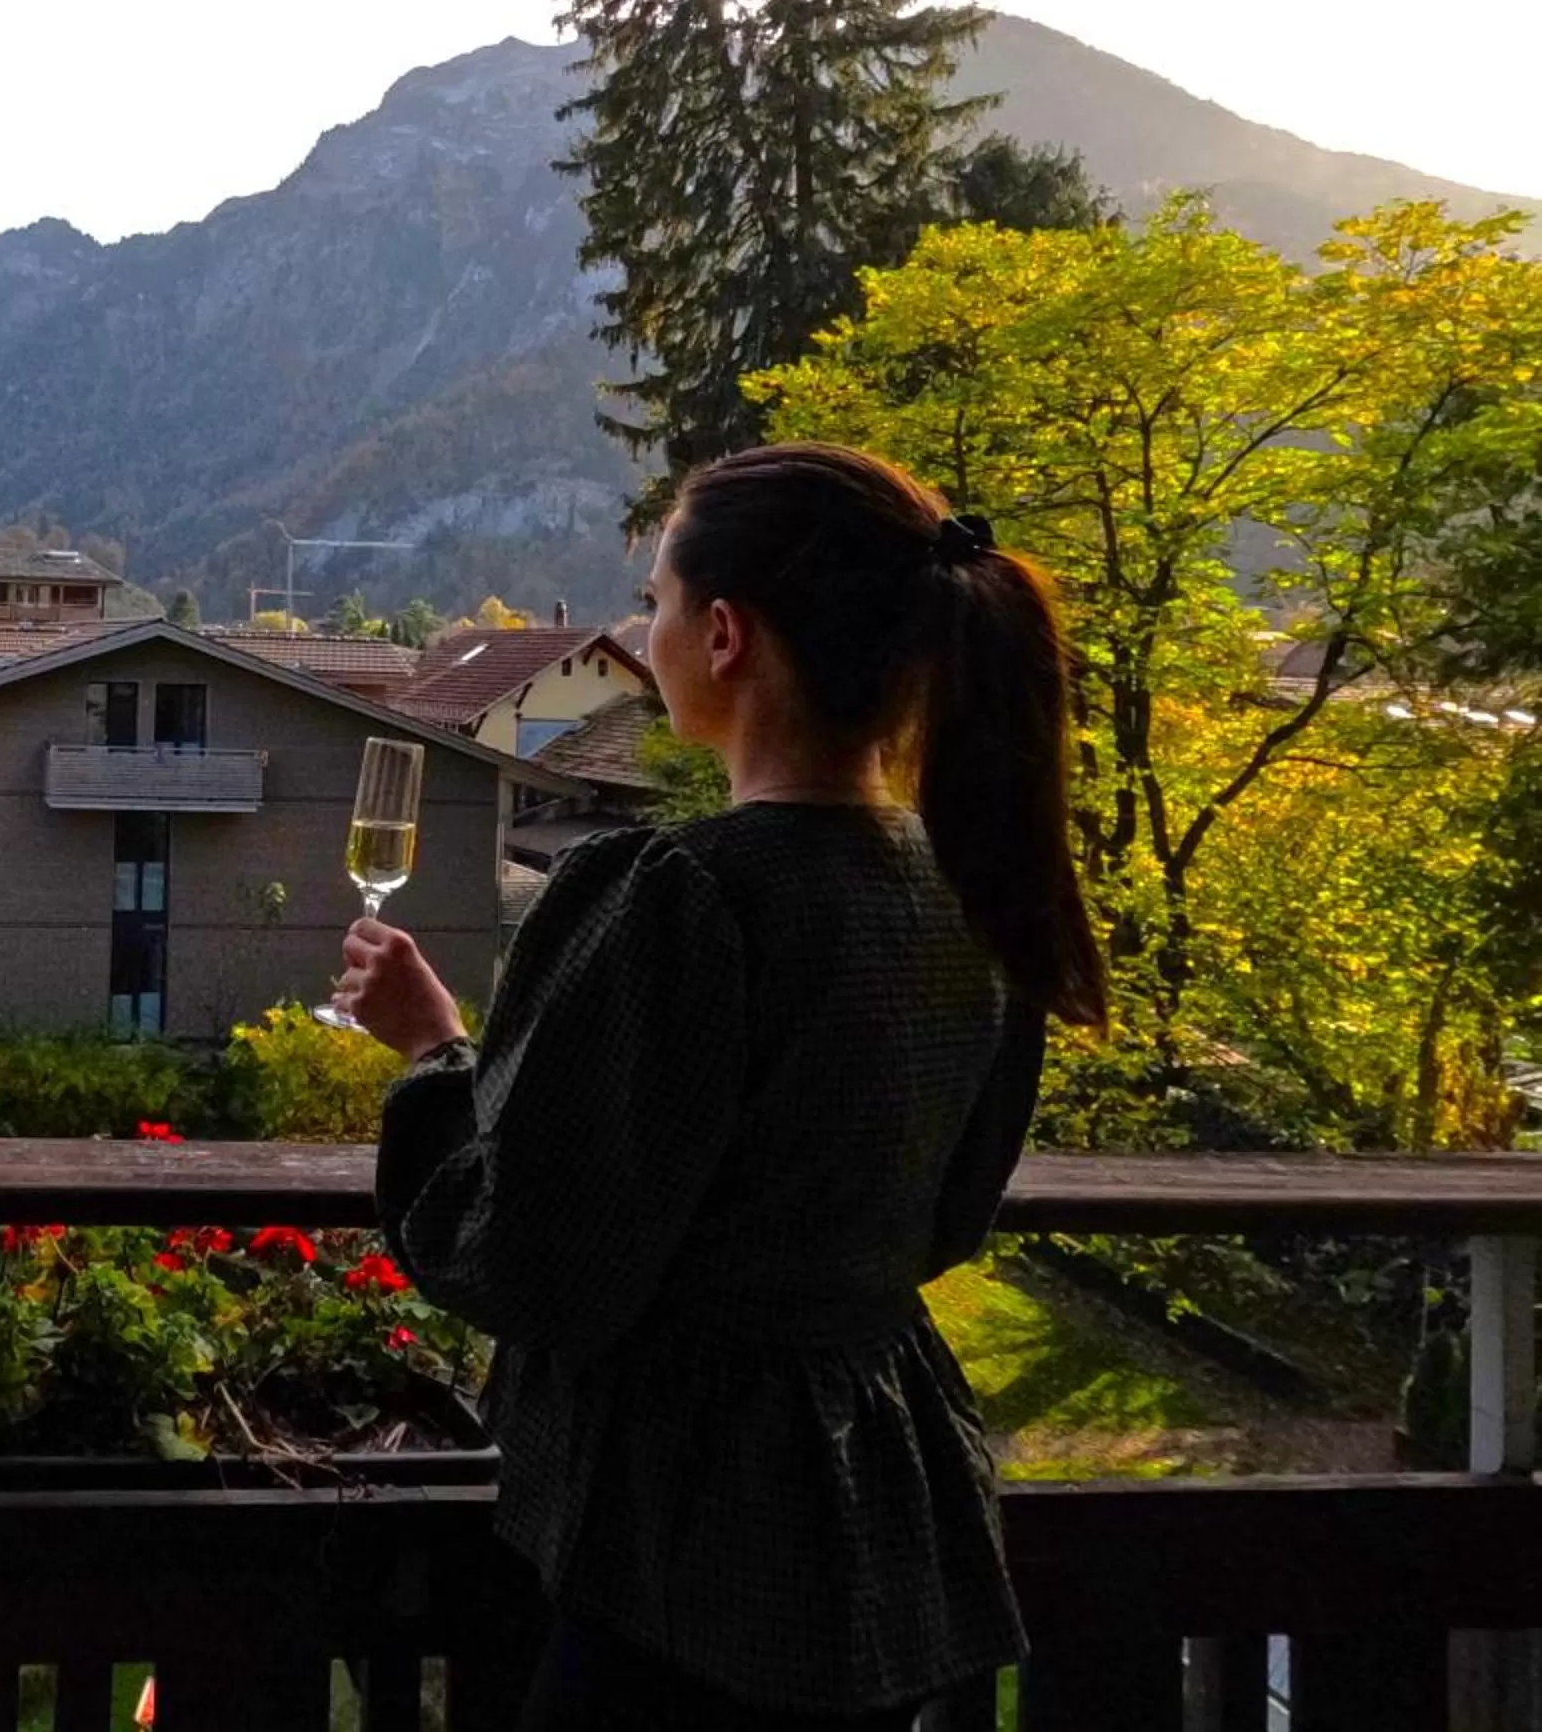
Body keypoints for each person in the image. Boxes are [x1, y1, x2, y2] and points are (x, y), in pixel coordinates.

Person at [336, 442, 1105, 1730]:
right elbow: (952, 1215)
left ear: (728, 633)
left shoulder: (680, 898)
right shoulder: (968, 891)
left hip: (683, 1537)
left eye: (656, 599)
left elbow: (528, 1260)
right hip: (885, 1496)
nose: (646, 629)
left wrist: (433, 1058)